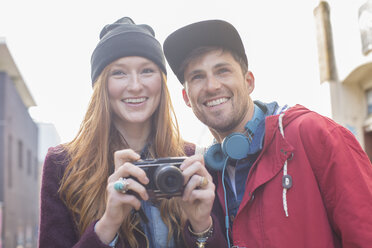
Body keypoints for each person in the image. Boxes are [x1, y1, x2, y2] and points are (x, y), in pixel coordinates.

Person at [163, 19, 372, 247]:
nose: (212, 86)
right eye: (197, 77)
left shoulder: (315, 133)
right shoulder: (206, 174)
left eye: (222, 71)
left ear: (249, 82)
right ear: (186, 98)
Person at [38, 17, 215, 248]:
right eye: (119, 73)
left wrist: (202, 225)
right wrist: (108, 224)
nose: (134, 85)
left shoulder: (191, 159)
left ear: (161, 83)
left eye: (147, 71)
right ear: (102, 86)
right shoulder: (64, 164)